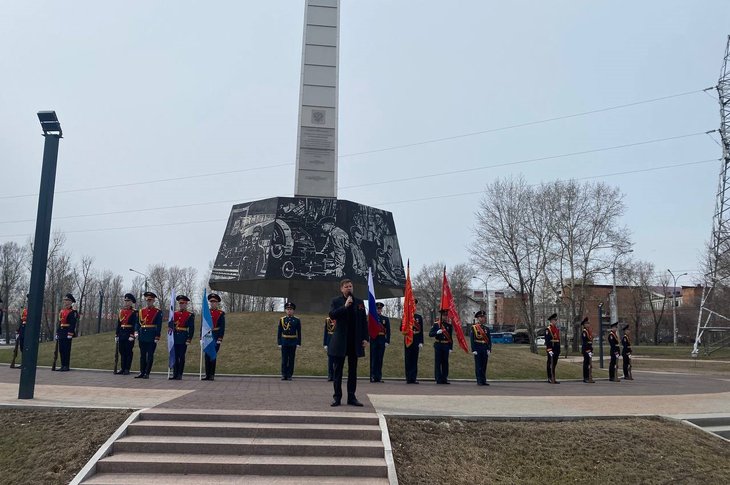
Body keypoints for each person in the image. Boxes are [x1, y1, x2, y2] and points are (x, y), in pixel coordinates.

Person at [328, 279, 369, 407]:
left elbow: (363, 321)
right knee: (338, 371)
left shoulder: (360, 302)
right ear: (341, 289)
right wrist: (345, 306)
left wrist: (365, 338)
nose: (349, 288)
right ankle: (337, 398)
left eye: (351, 286)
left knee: (353, 371)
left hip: (354, 341)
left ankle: (352, 397)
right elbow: (332, 315)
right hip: (340, 341)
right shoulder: (336, 301)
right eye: (346, 287)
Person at [135, 291, 162, 379]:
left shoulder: (157, 311)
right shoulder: (141, 311)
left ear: (153, 300)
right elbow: (137, 323)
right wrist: (136, 331)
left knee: (150, 355)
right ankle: (142, 372)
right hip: (142, 334)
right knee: (142, 355)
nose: (148, 302)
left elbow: (159, 324)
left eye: (150, 300)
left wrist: (157, 336)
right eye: (147, 300)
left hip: (151, 335)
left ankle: (147, 372)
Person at [170, 295, 194, 380]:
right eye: (180, 303)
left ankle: (180, 374)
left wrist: (189, 338)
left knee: (181, 356)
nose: (181, 305)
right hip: (175, 337)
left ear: (186, 304)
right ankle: (174, 374)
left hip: (183, 337)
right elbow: (170, 326)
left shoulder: (189, 315)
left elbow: (191, 328)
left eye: (183, 303)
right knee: (175, 356)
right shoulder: (174, 314)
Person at [203, 293, 225, 381]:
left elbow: (222, 327)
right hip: (207, 336)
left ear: (217, 303)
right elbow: (203, 325)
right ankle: (207, 374)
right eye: (211, 302)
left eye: (214, 302)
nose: (213, 303)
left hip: (215, 336)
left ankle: (212, 374)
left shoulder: (221, 313)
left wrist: (220, 338)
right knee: (206, 355)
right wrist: (201, 337)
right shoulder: (206, 312)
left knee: (213, 355)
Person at [115, 293, 139, 375]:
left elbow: (135, 324)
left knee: (128, 351)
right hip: (122, 333)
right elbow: (119, 324)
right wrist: (117, 334)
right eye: (125, 301)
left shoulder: (135, 312)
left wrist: (132, 335)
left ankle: (127, 368)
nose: (126, 302)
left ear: (132, 302)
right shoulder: (121, 311)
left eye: (128, 301)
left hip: (129, 333)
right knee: (121, 351)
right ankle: (122, 368)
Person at [278, 301, 301, 380]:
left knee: (291, 359)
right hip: (284, 341)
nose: (289, 311)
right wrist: (279, 342)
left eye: (291, 309)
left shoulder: (297, 320)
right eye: (287, 309)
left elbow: (299, 332)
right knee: (284, 359)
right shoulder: (282, 319)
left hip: (293, 341)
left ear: (293, 310)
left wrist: (298, 342)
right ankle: (284, 374)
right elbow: (279, 332)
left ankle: (290, 374)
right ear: (285, 310)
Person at [55, 293, 78, 372]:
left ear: (71, 302)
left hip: (67, 331)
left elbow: (73, 323)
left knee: (66, 349)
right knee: (61, 349)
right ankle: (62, 365)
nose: (65, 302)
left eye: (67, 300)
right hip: (61, 331)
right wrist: (57, 333)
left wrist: (70, 333)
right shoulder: (62, 311)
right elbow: (60, 322)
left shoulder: (73, 312)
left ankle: (66, 365)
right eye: (65, 300)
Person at [429, 309, 453, 384]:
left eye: (446, 315)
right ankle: (438, 378)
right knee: (438, 362)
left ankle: (444, 378)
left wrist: (450, 347)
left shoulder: (449, 326)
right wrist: (436, 332)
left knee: (445, 362)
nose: (445, 317)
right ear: (441, 316)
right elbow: (430, 334)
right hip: (438, 345)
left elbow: (450, 338)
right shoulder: (436, 324)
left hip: (446, 345)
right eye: (443, 315)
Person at [404, 299, 424, 384]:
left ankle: (414, 377)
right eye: (412, 305)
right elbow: (401, 328)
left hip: (416, 340)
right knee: (408, 359)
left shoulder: (418, 317)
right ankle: (408, 378)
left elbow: (421, 331)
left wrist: (421, 342)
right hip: (408, 340)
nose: (413, 307)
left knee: (414, 360)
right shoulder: (405, 316)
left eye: (414, 305)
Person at [370, 302, 391, 383]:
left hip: (382, 340)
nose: (379, 310)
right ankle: (372, 376)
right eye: (377, 309)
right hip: (374, 340)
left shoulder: (385, 319)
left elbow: (388, 331)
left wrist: (387, 341)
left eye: (380, 309)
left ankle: (378, 377)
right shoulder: (372, 319)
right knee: (373, 359)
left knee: (380, 359)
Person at [470, 310, 492, 386]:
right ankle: (479, 380)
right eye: (481, 317)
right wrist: (473, 349)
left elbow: (489, 340)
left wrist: (489, 349)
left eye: (483, 317)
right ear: (478, 318)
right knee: (478, 365)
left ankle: (483, 380)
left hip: (484, 348)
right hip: (478, 348)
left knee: (484, 365)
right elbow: (472, 339)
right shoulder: (474, 328)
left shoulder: (486, 329)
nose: (482, 319)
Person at [545, 313, 560, 384]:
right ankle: (549, 378)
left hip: (556, 348)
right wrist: (549, 349)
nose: (556, 321)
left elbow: (558, 339)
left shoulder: (556, 329)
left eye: (556, 320)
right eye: (554, 320)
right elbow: (547, 340)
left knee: (554, 364)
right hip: (551, 348)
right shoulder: (548, 329)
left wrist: (559, 349)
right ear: (551, 321)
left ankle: (553, 377)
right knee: (550, 363)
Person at [580, 317, 594, 383]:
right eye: (587, 323)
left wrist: (591, 349)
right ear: (584, 325)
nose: (588, 324)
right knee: (586, 363)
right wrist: (588, 350)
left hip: (589, 348)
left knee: (589, 363)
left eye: (588, 323)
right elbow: (585, 342)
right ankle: (585, 377)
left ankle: (589, 376)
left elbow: (590, 341)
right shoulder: (584, 332)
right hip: (586, 349)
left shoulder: (588, 331)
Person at [323, 317, 336, 381]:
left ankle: (336, 375)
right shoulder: (328, 320)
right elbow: (325, 332)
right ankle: (330, 375)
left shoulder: (341, 318)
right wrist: (325, 343)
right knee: (330, 360)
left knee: (337, 360)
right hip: (330, 341)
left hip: (338, 341)